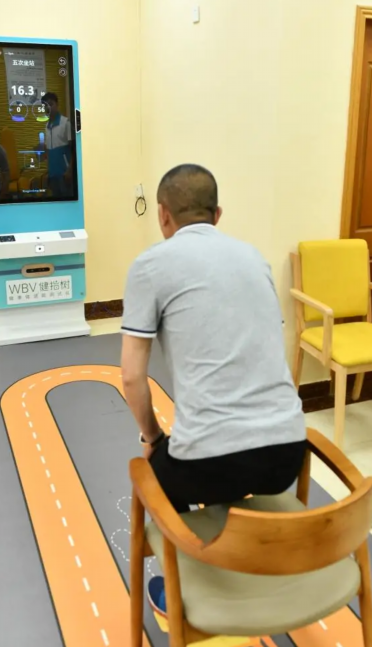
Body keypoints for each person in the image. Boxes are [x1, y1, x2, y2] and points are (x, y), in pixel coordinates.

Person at [121, 164, 306, 611]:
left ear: (163, 215)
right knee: (222, 465)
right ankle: (240, 559)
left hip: (207, 468)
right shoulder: (254, 258)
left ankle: (187, 585)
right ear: (217, 214)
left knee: (160, 470)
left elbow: (131, 376)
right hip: (286, 457)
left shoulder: (150, 265)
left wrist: (153, 437)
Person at [42, 91, 74, 198]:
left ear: (57, 104)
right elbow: (48, 152)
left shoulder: (65, 123)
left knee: (67, 201)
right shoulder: (47, 126)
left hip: (65, 174)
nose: (48, 108)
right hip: (53, 175)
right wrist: (48, 172)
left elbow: (74, 149)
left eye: (51, 104)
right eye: (46, 105)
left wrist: (70, 171)